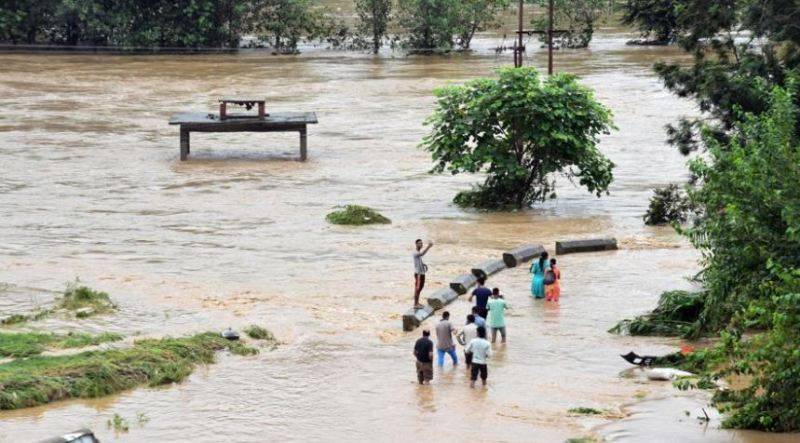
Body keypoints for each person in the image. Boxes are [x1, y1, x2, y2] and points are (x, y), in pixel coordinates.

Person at [413, 239, 433, 308]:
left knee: (420, 288)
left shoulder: (418, 252)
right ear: (416, 244)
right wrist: (429, 246)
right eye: (419, 243)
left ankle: (417, 302)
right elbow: (422, 254)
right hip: (418, 274)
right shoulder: (415, 252)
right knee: (417, 288)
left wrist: (423, 264)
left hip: (421, 273)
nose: (421, 245)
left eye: (421, 243)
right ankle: (415, 304)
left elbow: (418, 260)